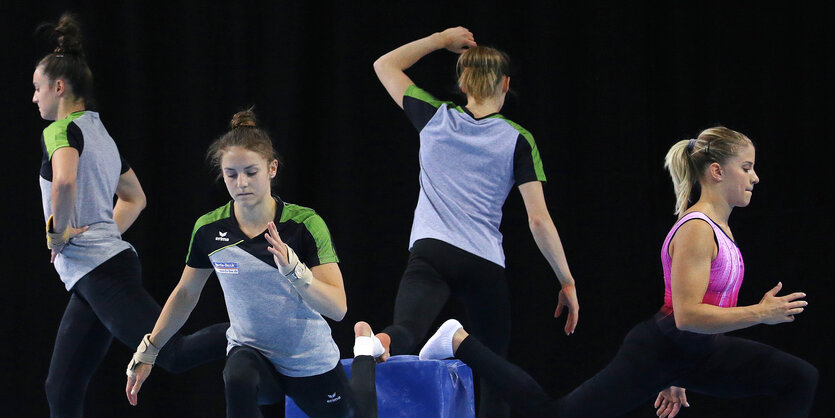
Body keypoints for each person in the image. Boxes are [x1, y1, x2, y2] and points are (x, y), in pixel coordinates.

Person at [420, 127, 818, 417]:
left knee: (799, 378)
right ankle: (459, 340)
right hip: (660, 351)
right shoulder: (697, 230)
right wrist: (759, 314)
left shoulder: (721, 227)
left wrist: (682, 374)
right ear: (717, 171)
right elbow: (688, 315)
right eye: (746, 167)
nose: (755, 177)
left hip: (694, 354)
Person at [372, 26, 579, 417]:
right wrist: (566, 280)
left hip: (431, 251)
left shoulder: (434, 117)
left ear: (462, 82)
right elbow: (539, 220)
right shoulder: (518, 138)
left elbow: (385, 64)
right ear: (505, 83)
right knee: (493, 370)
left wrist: (439, 40)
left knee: (407, 332)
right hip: (483, 261)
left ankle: (379, 342)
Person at [125, 109, 384, 417]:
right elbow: (185, 293)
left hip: (308, 360)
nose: (241, 182)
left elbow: (338, 308)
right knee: (237, 375)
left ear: (272, 168)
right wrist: (150, 349)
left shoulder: (304, 224)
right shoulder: (209, 229)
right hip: (252, 353)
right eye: (231, 174)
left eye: (251, 171)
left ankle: (365, 349)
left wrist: (296, 273)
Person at [32, 12, 228, 417]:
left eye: (37, 89)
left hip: (103, 272)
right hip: (95, 272)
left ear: (58, 86)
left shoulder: (60, 130)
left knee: (170, 353)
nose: (34, 98)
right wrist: (99, 233)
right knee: (61, 388)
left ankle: (260, 330)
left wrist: (58, 233)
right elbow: (135, 198)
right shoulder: (100, 133)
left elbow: (65, 181)